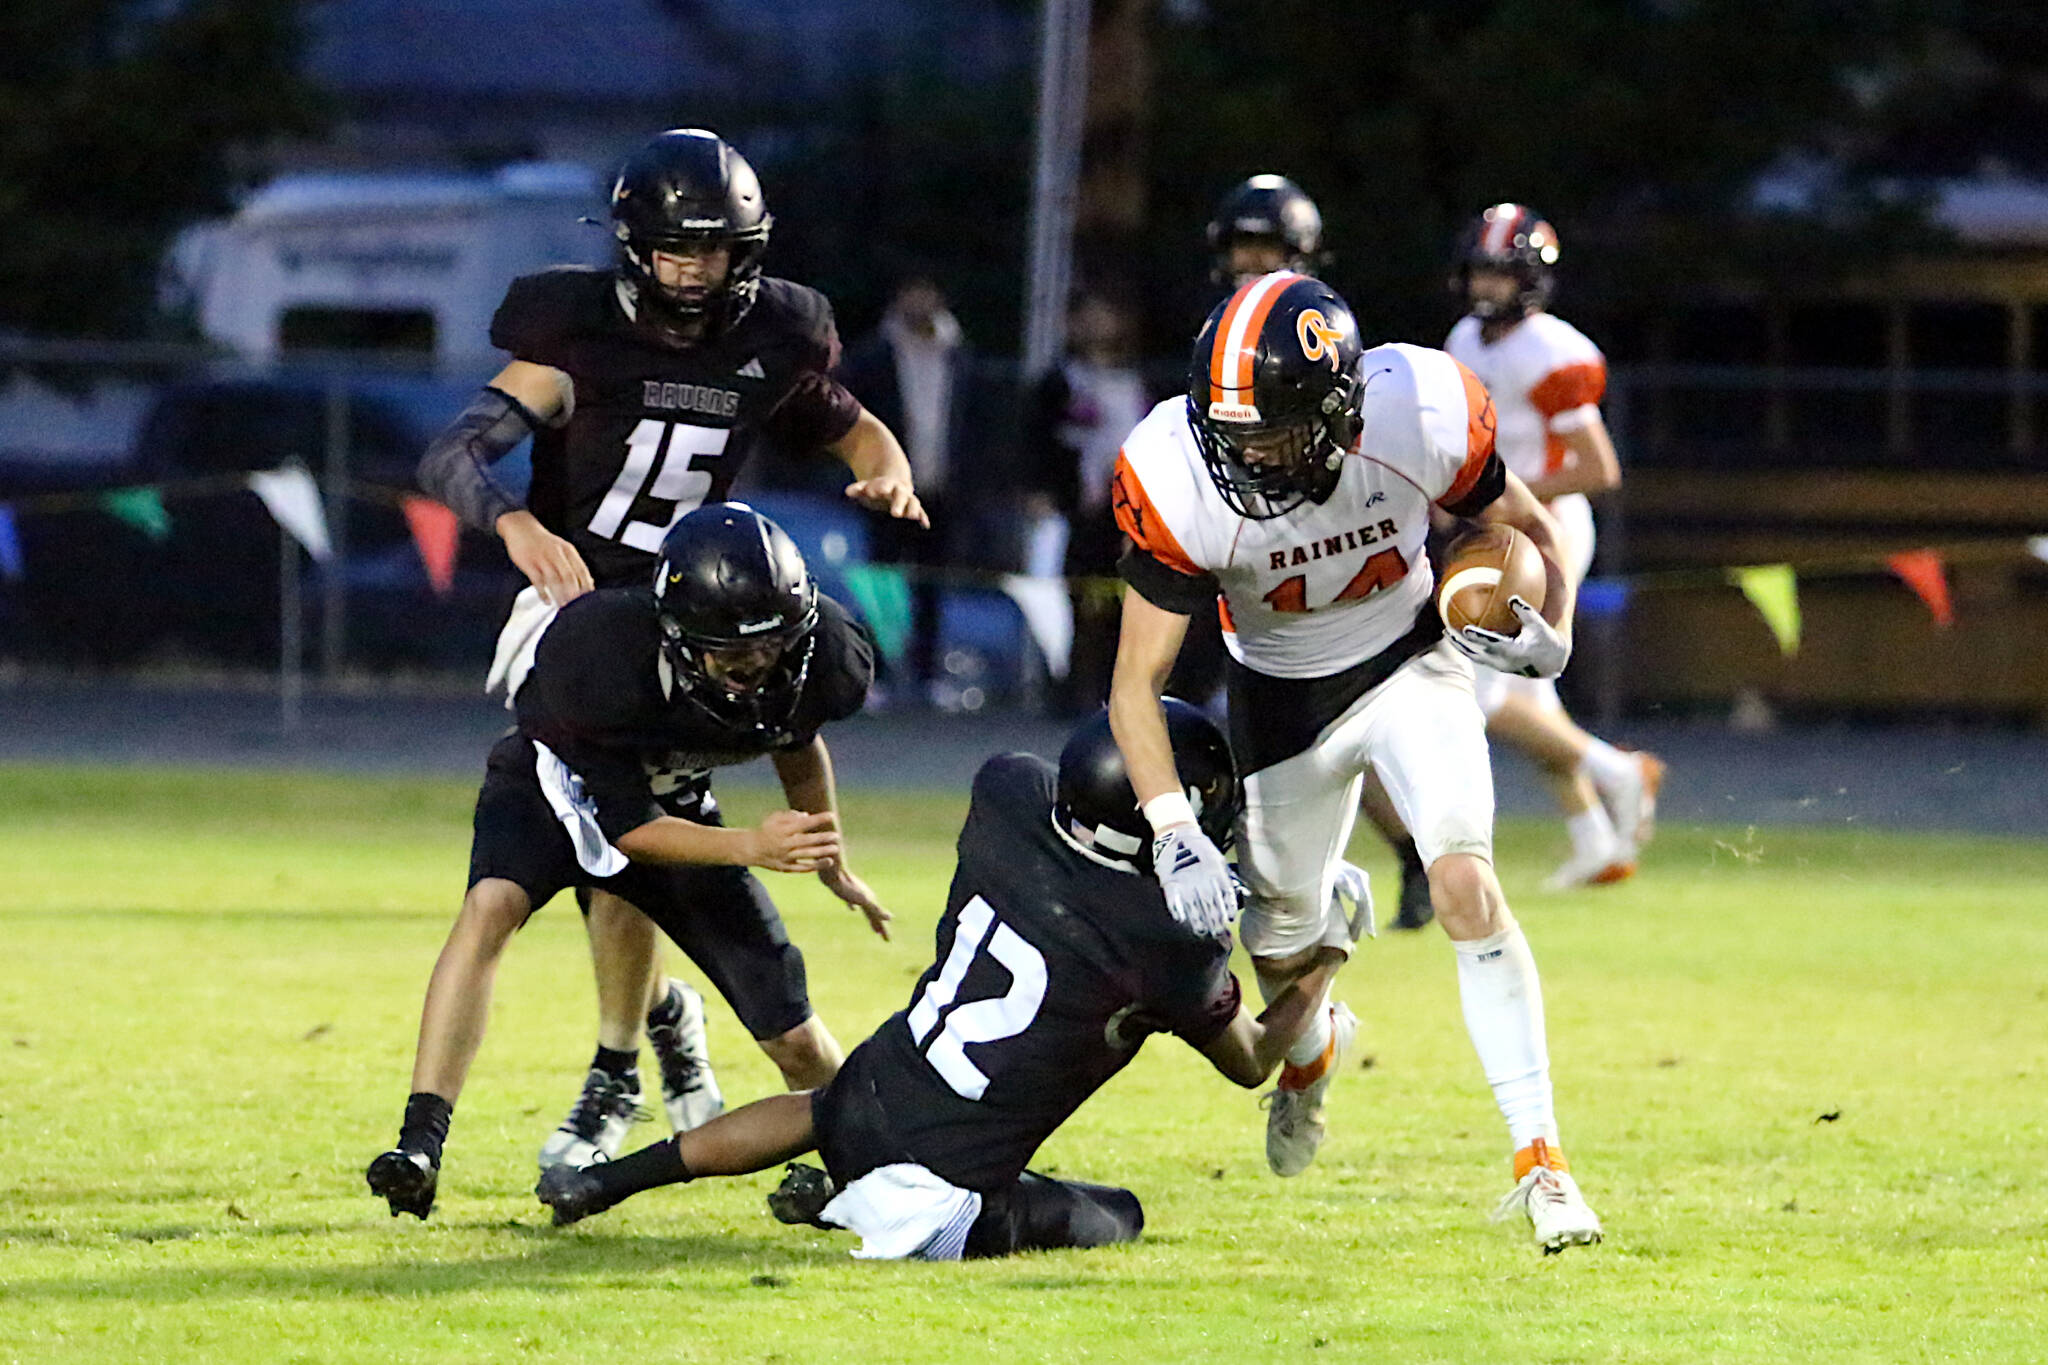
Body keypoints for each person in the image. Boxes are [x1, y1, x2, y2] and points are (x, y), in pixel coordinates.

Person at [413, 127, 926, 1172]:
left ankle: (634, 1053)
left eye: (717, 249)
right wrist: (515, 524)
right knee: (607, 828)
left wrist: (888, 470)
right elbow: (452, 451)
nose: (695, 271)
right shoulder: (576, 336)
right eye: (676, 250)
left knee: (629, 837)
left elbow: (857, 427)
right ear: (631, 247)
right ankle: (628, 1055)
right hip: (577, 612)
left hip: (699, 618)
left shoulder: (768, 343)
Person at [1106, 271, 1603, 1252]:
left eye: (1270, 430)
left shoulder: (1418, 408)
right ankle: (1314, 1045)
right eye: (1230, 430)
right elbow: (1134, 682)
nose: (1244, 452)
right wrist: (1172, 833)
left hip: (1410, 663)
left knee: (1462, 882)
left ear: (1337, 410)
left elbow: (1531, 531)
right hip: (1277, 703)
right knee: (1279, 951)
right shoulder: (1174, 471)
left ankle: (1541, 1164)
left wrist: (1551, 636)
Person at [533, 701, 1359, 1260]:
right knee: (1118, 1213)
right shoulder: (1161, 941)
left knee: (816, 1111)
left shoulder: (1008, 793)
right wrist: (1327, 955)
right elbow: (1252, 1057)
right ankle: (846, 1199)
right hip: (944, 1201)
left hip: (872, 1091)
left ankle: (605, 1181)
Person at [365, 505, 890, 1220]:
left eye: (770, 649)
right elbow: (630, 833)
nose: (753, 669)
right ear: (674, 633)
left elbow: (794, 738)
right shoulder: (600, 653)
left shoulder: (822, 653)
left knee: (795, 1034)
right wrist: (750, 845)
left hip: (676, 808)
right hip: (556, 788)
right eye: (732, 655)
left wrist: (830, 856)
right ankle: (419, 1142)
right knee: (491, 905)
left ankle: (880, 1162)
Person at [1209, 173, 1438, 930]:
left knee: (1332, 722)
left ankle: (1395, 851)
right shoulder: (1224, 330)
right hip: (1243, 536)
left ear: (1301, 254)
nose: (1250, 262)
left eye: (1265, 247)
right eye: (1240, 247)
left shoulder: (1319, 334)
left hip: (1326, 537)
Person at [1445, 204, 1664, 888]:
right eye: (1480, 270)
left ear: (1530, 280)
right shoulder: (1465, 339)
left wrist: (1507, 491)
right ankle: (1594, 833)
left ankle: (1619, 772)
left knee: (1475, 693)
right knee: (1535, 705)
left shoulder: (1548, 349)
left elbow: (1599, 468)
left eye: (1500, 274)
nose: (1486, 286)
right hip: (1499, 527)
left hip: (1548, 527)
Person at [835, 276, 972, 699]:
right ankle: (875, 671)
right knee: (881, 581)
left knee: (932, 583)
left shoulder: (959, 356)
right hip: (884, 487)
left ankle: (927, 673)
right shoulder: (873, 356)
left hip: (940, 486)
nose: (921, 299)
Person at [1022, 290, 1154, 714]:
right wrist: (1041, 491)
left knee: (1124, 606)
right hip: (1076, 512)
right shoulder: (1059, 382)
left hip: (1131, 513)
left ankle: (1118, 696)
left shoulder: (1139, 380)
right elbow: (1037, 442)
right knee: (1074, 603)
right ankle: (1067, 692)